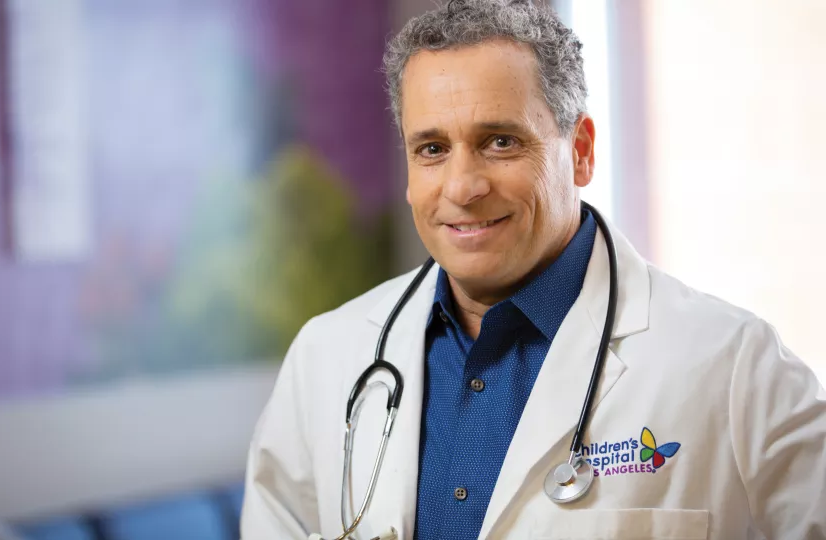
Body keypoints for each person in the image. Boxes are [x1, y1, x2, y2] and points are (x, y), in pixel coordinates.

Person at [240, 0, 826, 538]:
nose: (463, 187)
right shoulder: (327, 357)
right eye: (432, 149)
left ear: (582, 152)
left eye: (500, 142)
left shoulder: (736, 370)